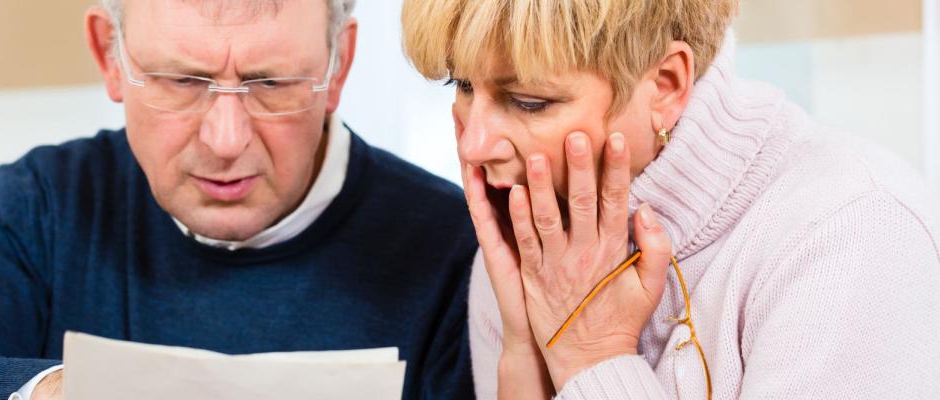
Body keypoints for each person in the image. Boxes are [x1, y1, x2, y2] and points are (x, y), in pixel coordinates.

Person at [0, 1, 479, 399]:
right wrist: (66, 390)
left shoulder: (452, 244)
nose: (226, 141)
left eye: (272, 83)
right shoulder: (49, 203)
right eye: (182, 81)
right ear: (109, 54)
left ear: (338, 65)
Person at [401, 0, 940, 398]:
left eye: (528, 101)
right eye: (462, 86)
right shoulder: (528, 245)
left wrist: (591, 353)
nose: (473, 143)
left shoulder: (856, 233)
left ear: (665, 83)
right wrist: (524, 356)